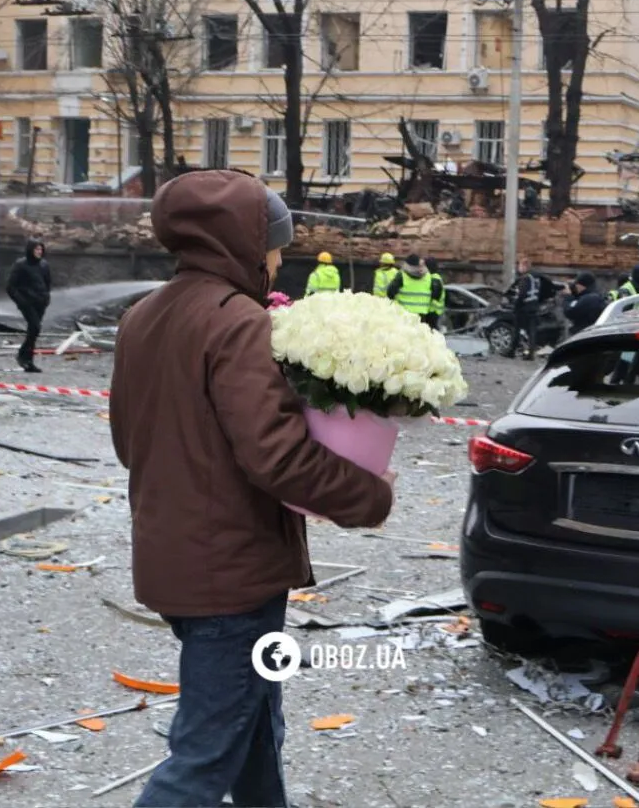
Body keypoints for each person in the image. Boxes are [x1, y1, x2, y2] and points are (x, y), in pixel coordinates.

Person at [109, 171, 395, 808]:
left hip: (176, 561)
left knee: (255, 720)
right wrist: (369, 493)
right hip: (230, 574)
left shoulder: (142, 316)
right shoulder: (238, 322)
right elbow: (278, 456)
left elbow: (130, 443)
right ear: (239, 242)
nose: (277, 259)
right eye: (273, 244)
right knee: (205, 756)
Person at [6, 239, 51, 374]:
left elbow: (47, 282)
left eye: (41, 250)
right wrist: (21, 301)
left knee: (34, 331)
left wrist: (46, 297)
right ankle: (24, 356)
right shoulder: (21, 265)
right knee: (35, 327)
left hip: (40, 302)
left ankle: (27, 359)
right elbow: (10, 286)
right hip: (27, 302)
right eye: (36, 249)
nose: (39, 252)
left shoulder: (44, 265)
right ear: (30, 250)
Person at [386, 254, 441, 326]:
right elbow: (436, 295)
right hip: (422, 314)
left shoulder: (401, 275)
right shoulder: (428, 276)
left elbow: (390, 292)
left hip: (404, 313)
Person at [510, 257, 541, 359]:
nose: (518, 268)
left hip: (523, 308)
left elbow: (521, 294)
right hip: (533, 307)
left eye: (520, 265)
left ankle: (511, 351)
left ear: (525, 266)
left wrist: (516, 306)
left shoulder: (525, 278)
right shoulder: (535, 277)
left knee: (517, 330)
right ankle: (531, 354)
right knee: (532, 332)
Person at [423, 258, 445, 330]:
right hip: (432, 311)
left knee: (431, 332)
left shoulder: (434, 278)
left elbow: (434, 295)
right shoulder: (432, 277)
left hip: (433, 311)